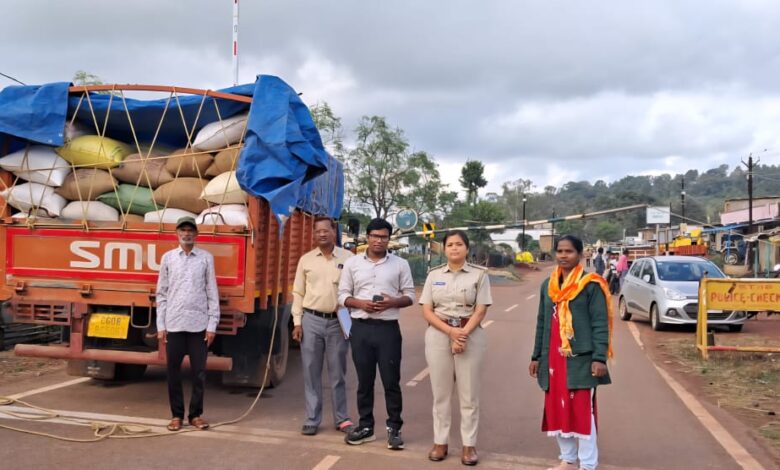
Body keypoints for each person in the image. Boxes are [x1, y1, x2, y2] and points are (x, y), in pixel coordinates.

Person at [528, 235, 613, 470]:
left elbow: (600, 323)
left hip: (580, 359)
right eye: (560, 251)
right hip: (553, 357)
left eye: (569, 251)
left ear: (580, 255)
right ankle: (567, 459)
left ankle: (587, 464)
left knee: (582, 411)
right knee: (557, 408)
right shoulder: (549, 286)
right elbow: (542, 322)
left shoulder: (591, 284)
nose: (563, 256)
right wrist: (536, 356)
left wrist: (599, 358)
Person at [338, 218, 415, 450]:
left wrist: (392, 302)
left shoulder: (400, 264)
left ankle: (394, 429)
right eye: (375, 236)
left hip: (388, 330)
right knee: (364, 381)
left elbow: (410, 295)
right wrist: (360, 303)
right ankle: (366, 427)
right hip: (360, 328)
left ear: (389, 239)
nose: (379, 240)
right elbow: (342, 295)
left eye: (384, 236)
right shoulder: (352, 264)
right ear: (367, 237)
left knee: (391, 381)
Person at [419, 230, 492, 466]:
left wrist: (461, 334)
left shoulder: (479, 275)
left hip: (470, 333)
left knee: (469, 395)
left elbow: (481, 309)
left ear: (467, 249)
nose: (454, 248)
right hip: (439, 334)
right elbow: (427, 310)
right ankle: (440, 442)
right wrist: (450, 332)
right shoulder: (433, 275)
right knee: (440, 394)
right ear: (444, 249)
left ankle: (469, 446)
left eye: (459, 244)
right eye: (449, 244)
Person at [292, 217, 355, 436]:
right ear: (314, 233)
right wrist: (297, 322)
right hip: (311, 320)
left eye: (326, 231)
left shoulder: (349, 259)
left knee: (338, 372)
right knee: (311, 371)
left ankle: (342, 418)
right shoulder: (306, 260)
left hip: (339, 321)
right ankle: (312, 418)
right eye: (318, 231)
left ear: (333, 231)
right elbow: (298, 292)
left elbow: (356, 291)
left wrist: (352, 321)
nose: (322, 234)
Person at [156, 216, 220, 432]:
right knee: (173, 372)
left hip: (198, 325)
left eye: (190, 230)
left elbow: (212, 292)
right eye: (182, 230)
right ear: (177, 233)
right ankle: (176, 416)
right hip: (173, 324)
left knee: (199, 373)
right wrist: (160, 325)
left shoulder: (205, 259)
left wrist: (212, 325)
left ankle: (195, 415)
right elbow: (161, 293)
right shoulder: (168, 258)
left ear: (196, 235)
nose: (186, 234)